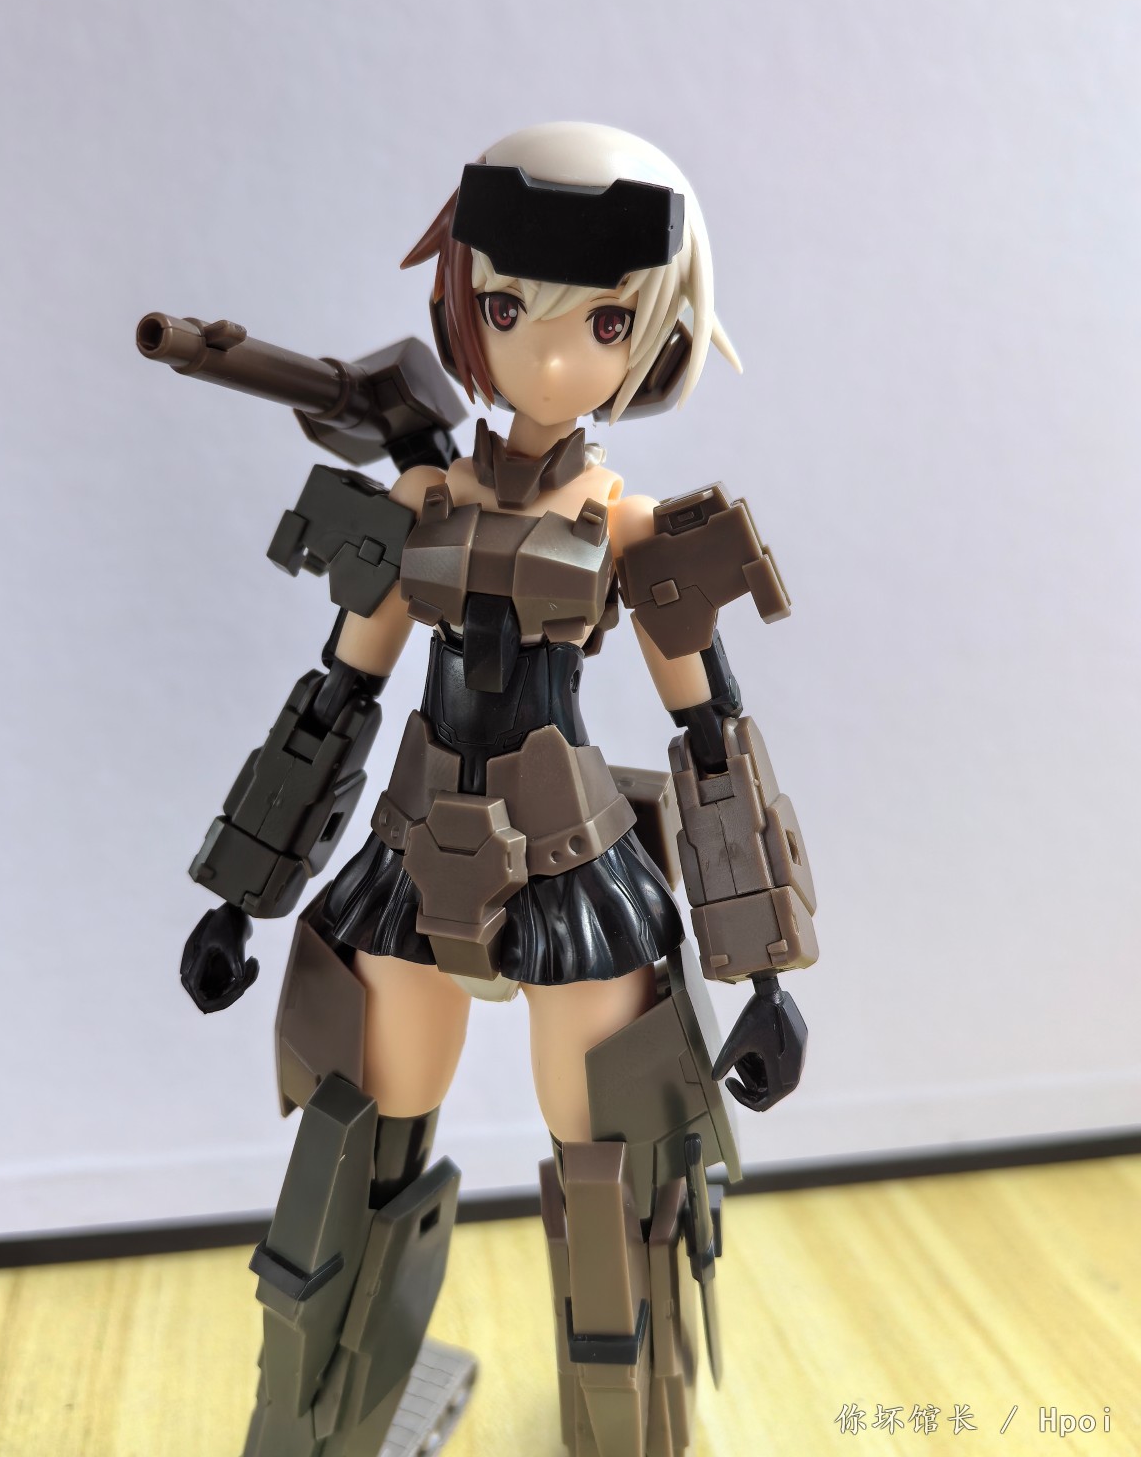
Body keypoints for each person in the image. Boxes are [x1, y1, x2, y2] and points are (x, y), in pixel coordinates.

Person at [170, 121, 819, 1457]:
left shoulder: (631, 529)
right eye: (508, 308)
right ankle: (319, 1431)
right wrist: (241, 895)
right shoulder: (420, 506)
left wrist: (761, 971)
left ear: (654, 336)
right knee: (348, 1154)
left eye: (601, 321)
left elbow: (710, 737)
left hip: (574, 872)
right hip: (411, 864)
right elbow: (335, 698)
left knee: (619, 1182)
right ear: (463, 305)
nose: (546, 353)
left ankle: (629, 1438)